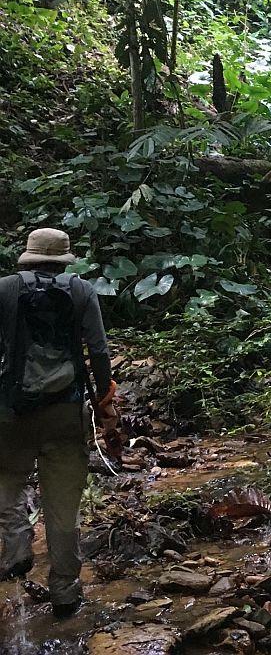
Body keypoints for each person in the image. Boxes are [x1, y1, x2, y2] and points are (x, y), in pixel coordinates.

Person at [0, 228, 119, 619]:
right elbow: (98, 352)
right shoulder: (82, 291)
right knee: (63, 506)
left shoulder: (4, 289)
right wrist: (104, 404)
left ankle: (16, 545)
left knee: (6, 481)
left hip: (11, 412)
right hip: (66, 412)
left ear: (29, 256)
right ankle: (65, 590)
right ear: (65, 257)